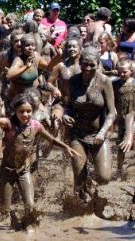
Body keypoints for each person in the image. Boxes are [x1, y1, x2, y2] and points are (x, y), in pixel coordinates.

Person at [0, 91, 79, 227]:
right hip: (7, 171)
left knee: (30, 206)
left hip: (24, 171)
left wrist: (66, 147)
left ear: (33, 110)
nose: (25, 115)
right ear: (15, 111)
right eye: (21, 111)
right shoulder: (8, 124)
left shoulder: (36, 126)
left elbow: (52, 139)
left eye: (29, 111)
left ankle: (27, 228)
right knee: (5, 209)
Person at [62, 47, 116, 200]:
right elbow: (66, 104)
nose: (87, 68)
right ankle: (82, 213)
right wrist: (65, 114)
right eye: (84, 64)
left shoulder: (105, 81)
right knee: (79, 180)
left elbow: (112, 112)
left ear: (98, 64)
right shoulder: (72, 81)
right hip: (77, 135)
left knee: (104, 177)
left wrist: (102, 132)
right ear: (79, 63)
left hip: (98, 133)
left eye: (92, 65)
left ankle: (91, 177)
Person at [111, 60, 134, 179]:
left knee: (131, 140)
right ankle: (119, 171)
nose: (122, 74)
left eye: (125, 72)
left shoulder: (134, 84)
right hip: (121, 118)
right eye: (119, 72)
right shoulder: (115, 84)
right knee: (121, 146)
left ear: (131, 71)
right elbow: (111, 99)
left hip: (133, 117)